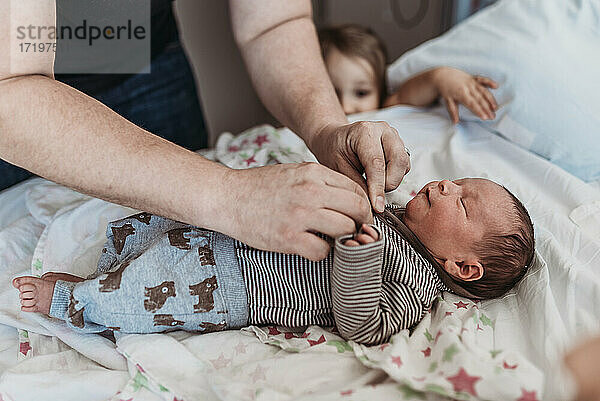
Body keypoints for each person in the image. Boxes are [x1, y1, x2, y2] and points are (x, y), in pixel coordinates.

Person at [0, 1, 410, 262]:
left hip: (141, 53)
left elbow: (273, 20)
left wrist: (326, 127)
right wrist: (230, 195)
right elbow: (13, 92)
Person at [13, 178, 535, 345]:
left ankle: (74, 300)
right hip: (238, 229)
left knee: (148, 292)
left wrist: (356, 260)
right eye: (459, 181)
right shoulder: (391, 210)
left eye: (462, 203)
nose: (447, 186)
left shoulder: (418, 281)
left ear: (462, 268)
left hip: (235, 283)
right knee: (150, 224)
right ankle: (99, 273)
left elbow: (364, 327)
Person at [318, 24, 499, 123]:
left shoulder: (384, 109)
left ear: (380, 90)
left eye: (361, 93)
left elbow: (413, 92)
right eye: (333, 92)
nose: (346, 107)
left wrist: (441, 77)